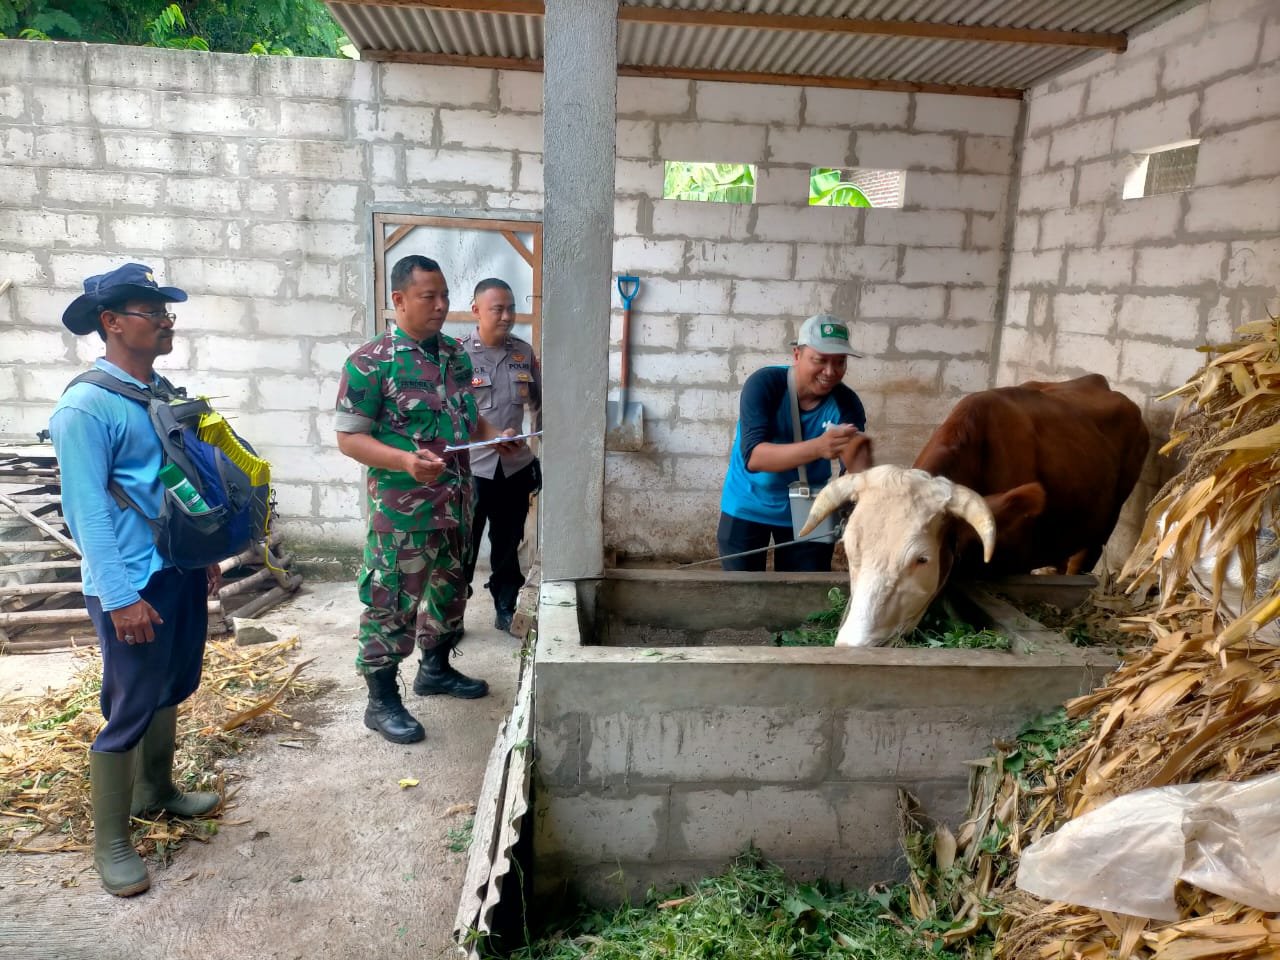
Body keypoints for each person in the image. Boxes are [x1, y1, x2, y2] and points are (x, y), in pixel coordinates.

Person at [49, 263, 222, 898]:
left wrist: (202, 549)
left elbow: (175, 480)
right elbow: (86, 510)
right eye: (151, 312)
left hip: (173, 568)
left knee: (172, 684)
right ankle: (113, 842)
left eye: (167, 311)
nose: (164, 321)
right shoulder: (85, 407)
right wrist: (119, 597)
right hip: (130, 581)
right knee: (127, 707)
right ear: (111, 322)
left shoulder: (157, 391)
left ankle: (159, 790)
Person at [334, 255, 522, 745]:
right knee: (391, 601)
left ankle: (435, 670)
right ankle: (380, 702)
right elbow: (350, 438)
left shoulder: (454, 356)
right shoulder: (370, 362)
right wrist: (403, 462)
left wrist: (493, 436)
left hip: (457, 503)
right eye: (428, 297)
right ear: (398, 300)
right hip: (404, 514)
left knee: (449, 592)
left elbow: (467, 420)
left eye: (444, 297)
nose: (441, 306)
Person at [717, 313, 872, 572]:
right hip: (748, 503)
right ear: (797, 355)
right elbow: (755, 458)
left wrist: (860, 466)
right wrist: (820, 447)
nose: (830, 372)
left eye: (840, 362)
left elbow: (856, 468)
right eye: (820, 360)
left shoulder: (847, 403)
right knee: (741, 595)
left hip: (811, 508)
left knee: (805, 594)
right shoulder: (764, 385)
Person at [459, 278, 542, 632]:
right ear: (477, 310)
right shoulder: (458, 356)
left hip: (513, 468)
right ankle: (450, 616)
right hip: (470, 469)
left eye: (511, 308)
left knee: (508, 543)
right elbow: (447, 414)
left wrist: (535, 446)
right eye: (498, 308)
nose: (507, 315)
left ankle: (505, 606)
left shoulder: (523, 353)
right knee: (463, 544)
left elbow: (540, 406)